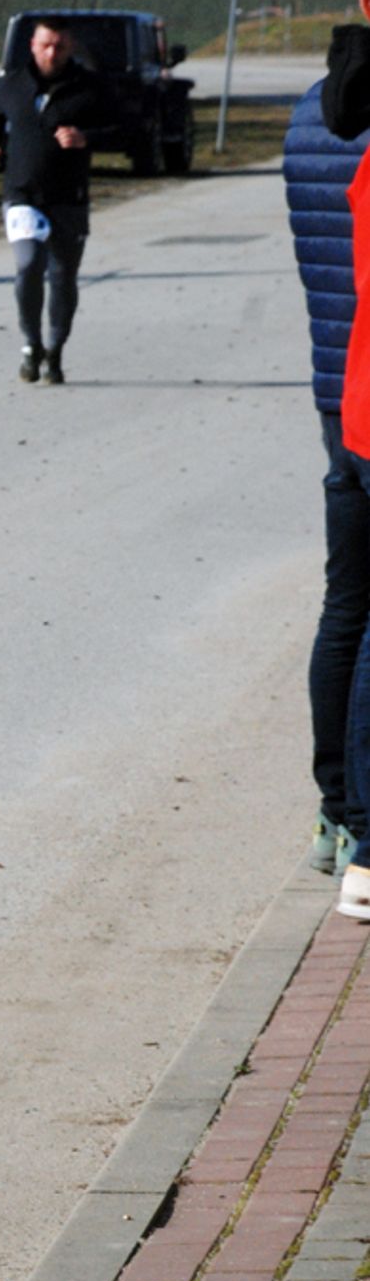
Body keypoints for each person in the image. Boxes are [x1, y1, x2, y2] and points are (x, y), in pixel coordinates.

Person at [282, 78, 370, 877]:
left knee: (345, 601)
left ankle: (334, 808)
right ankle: (362, 824)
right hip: (365, 378)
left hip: (331, 381)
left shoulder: (314, 108)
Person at [0, 18, 120, 385]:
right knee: (28, 264)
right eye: (45, 45)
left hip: (69, 198)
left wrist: (86, 138)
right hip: (22, 194)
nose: (52, 52)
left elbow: (123, 128)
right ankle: (31, 344)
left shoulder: (90, 88)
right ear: (33, 45)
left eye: (59, 45)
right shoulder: (11, 85)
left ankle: (55, 350)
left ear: (71, 47)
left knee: (62, 275)